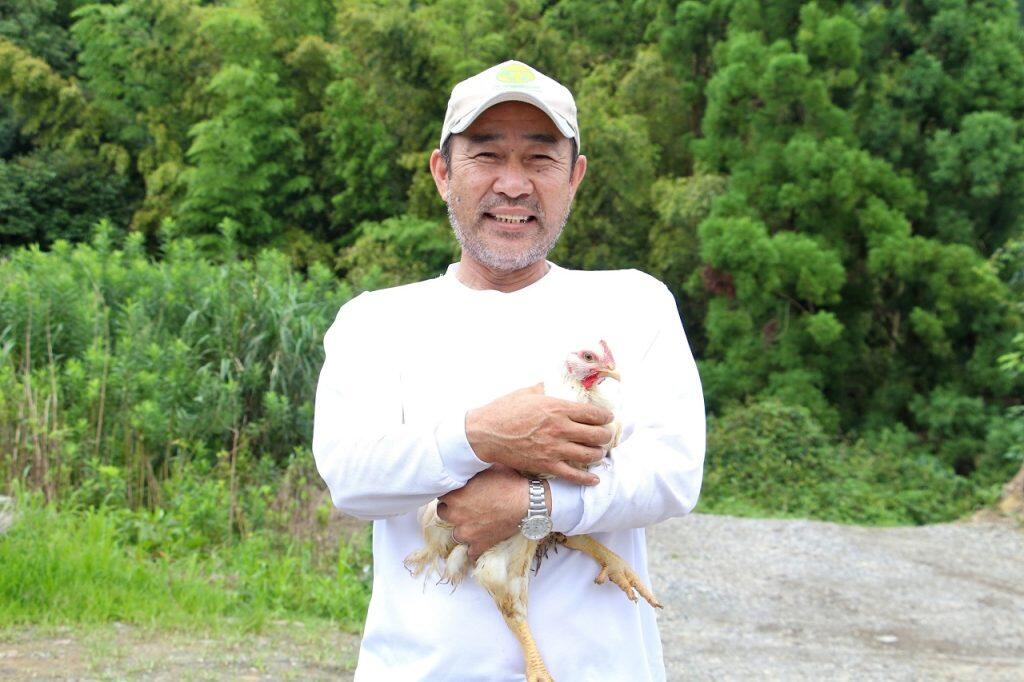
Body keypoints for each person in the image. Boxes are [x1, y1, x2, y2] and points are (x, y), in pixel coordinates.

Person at [313, 60, 705, 682]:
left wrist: (535, 504)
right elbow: (350, 476)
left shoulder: (635, 303)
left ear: (574, 176)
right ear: (443, 173)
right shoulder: (375, 322)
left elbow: (673, 474)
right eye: (487, 155)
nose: (514, 184)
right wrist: (479, 438)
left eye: (541, 159)